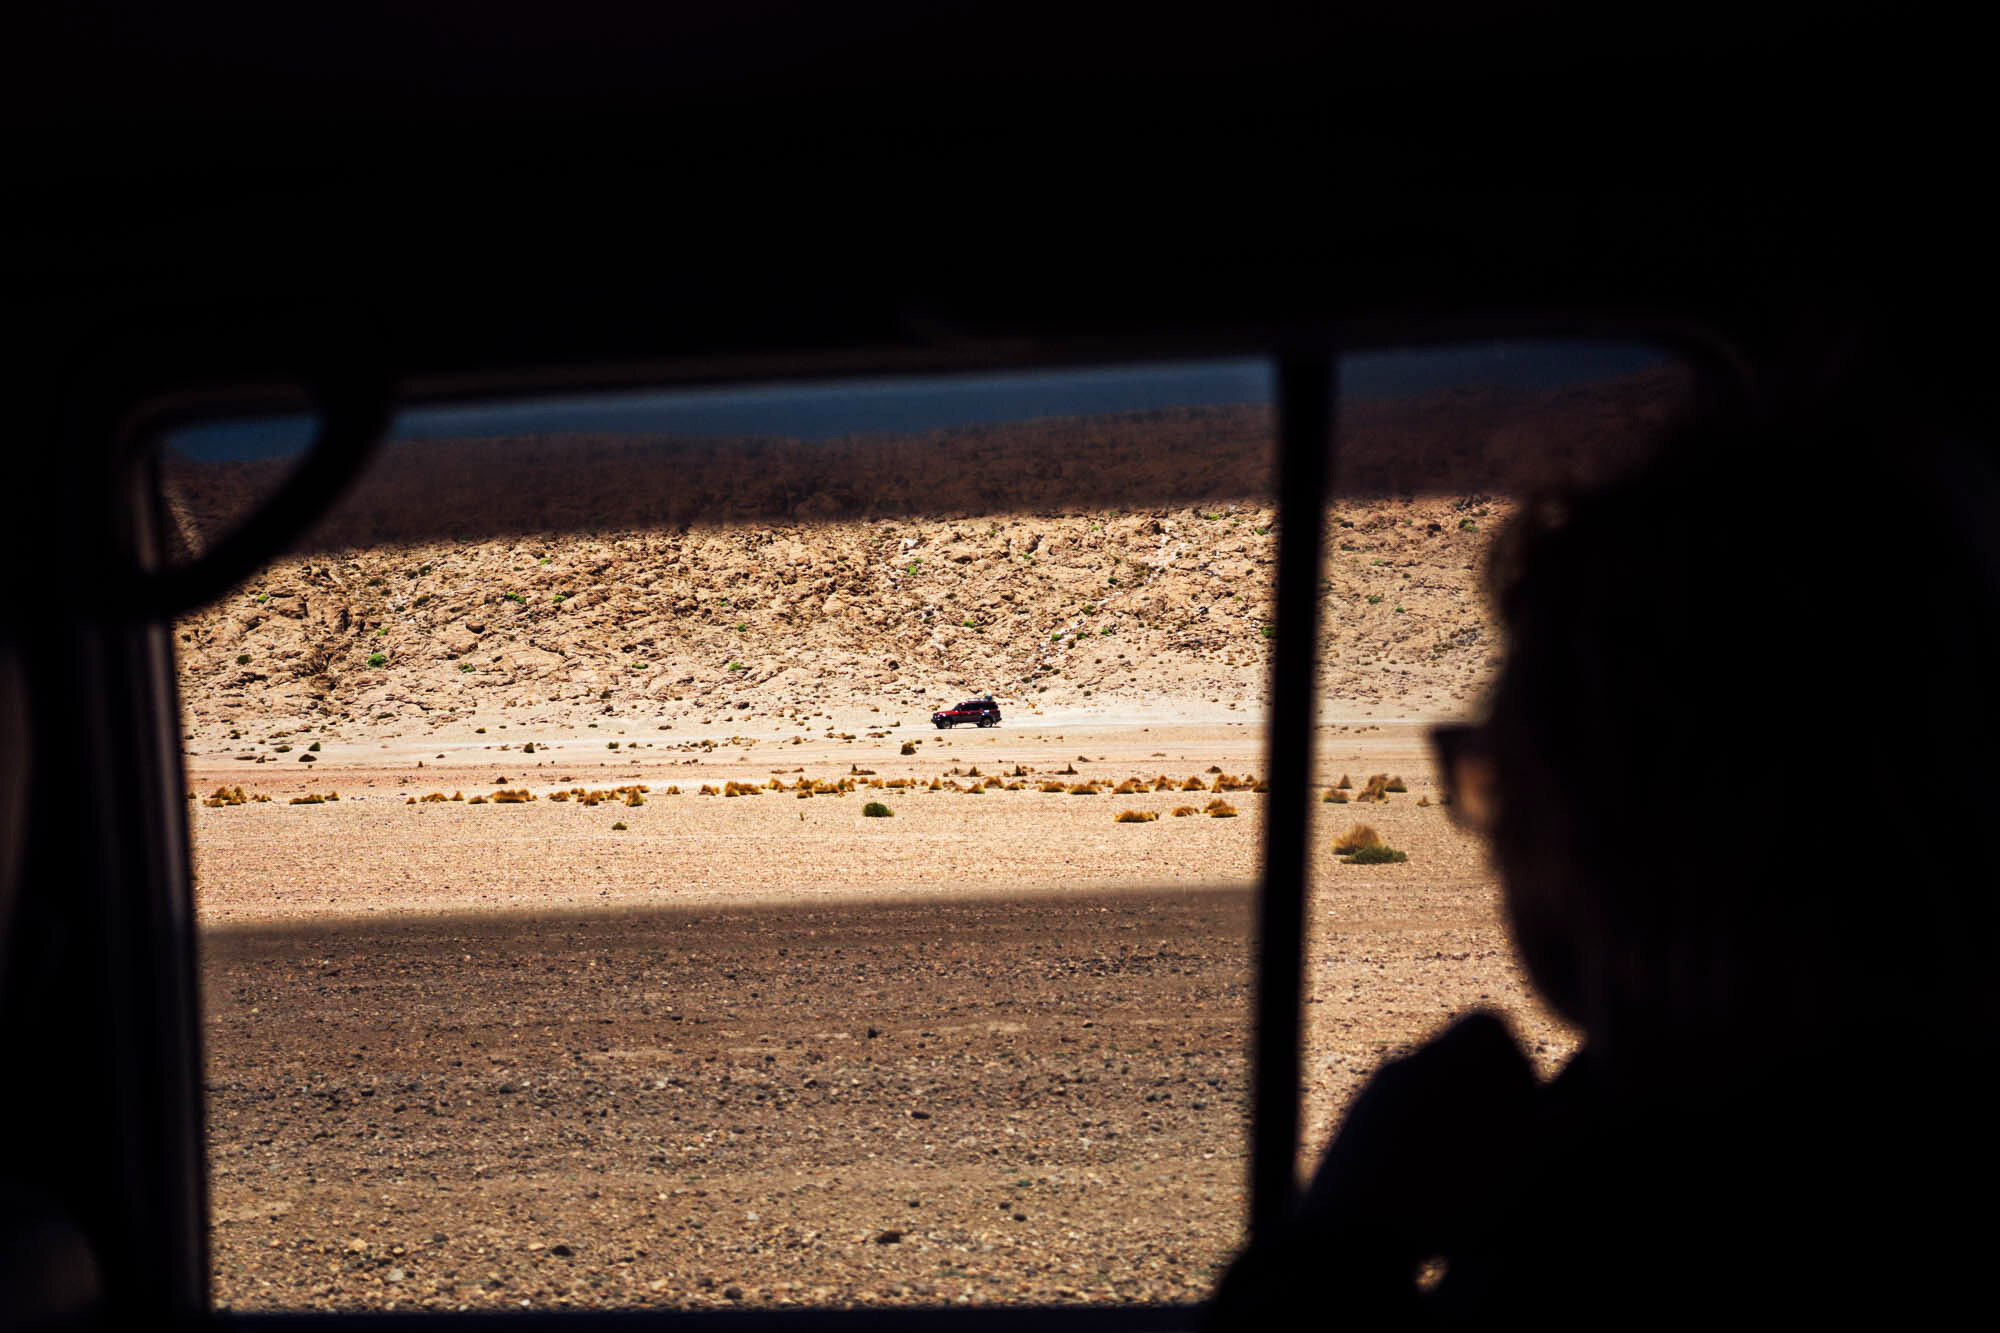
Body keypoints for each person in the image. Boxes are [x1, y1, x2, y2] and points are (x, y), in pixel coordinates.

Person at [1206, 388, 2000, 1326]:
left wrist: (1338, 1238)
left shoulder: (1620, 1230)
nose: (1491, 837)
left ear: (1622, 826)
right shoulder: (1889, 1120)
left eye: (1502, 780)